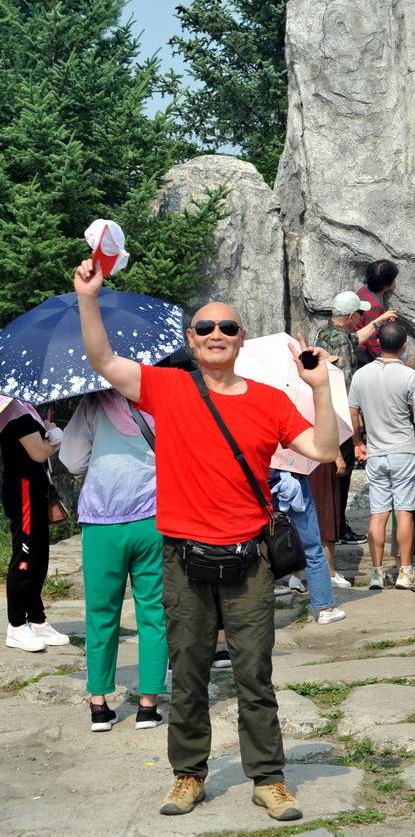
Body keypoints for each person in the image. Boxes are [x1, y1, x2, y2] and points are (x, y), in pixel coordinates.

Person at [74, 257, 339, 821]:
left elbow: (322, 449)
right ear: (191, 341)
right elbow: (102, 359)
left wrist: (319, 386)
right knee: (188, 671)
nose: (216, 334)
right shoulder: (167, 389)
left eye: (228, 327)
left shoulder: (269, 400)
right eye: (205, 328)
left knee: (254, 674)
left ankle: (268, 779)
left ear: (241, 339)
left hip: (250, 558)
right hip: (182, 556)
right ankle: (188, 776)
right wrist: (90, 299)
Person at [59, 390, 168, 732]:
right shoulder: (159, 396)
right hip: (153, 517)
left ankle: (99, 705)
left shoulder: (91, 404)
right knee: (153, 610)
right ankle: (148, 706)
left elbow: (72, 461)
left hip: (102, 521)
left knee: (101, 613)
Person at [315, 291, 396, 548]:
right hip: (338, 418)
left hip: (324, 414)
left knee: (331, 477)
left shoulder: (326, 333)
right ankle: (336, 528)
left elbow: (355, 339)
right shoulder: (341, 345)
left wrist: (378, 321)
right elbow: (346, 387)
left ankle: (331, 526)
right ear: (350, 316)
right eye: (359, 314)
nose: (361, 318)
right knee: (342, 475)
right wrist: (355, 426)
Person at [348, 321, 415, 591]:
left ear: (378, 343)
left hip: (375, 452)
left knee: (378, 514)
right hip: (403, 450)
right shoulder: (409, 376)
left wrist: (358, 441)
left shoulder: (361, 375)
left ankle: (376, 573)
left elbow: (353, 413)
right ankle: (405, 571)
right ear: (404, 346)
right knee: (404, 513)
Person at [1, 398, 69, 652]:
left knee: (39, 555)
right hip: (24, 490)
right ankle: (17, 625)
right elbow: (39, 452)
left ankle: (37, 619)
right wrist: (55, 435)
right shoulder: (12, 410)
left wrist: (48, 430)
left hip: (35, 489)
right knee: (25, 556)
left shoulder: (25, 408)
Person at [269, 470, 346, 624]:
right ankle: (324, 608)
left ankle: (260, 611)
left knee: (262, 551)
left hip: (261, 484)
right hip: (294, 480)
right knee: (312, 549)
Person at [355, 260, 399, 366]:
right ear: (386, 284)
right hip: (362, 357)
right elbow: (371, 339)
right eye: (394, 278)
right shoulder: (375, 305)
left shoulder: (363, 290)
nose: (395, 281)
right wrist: (386, 361)